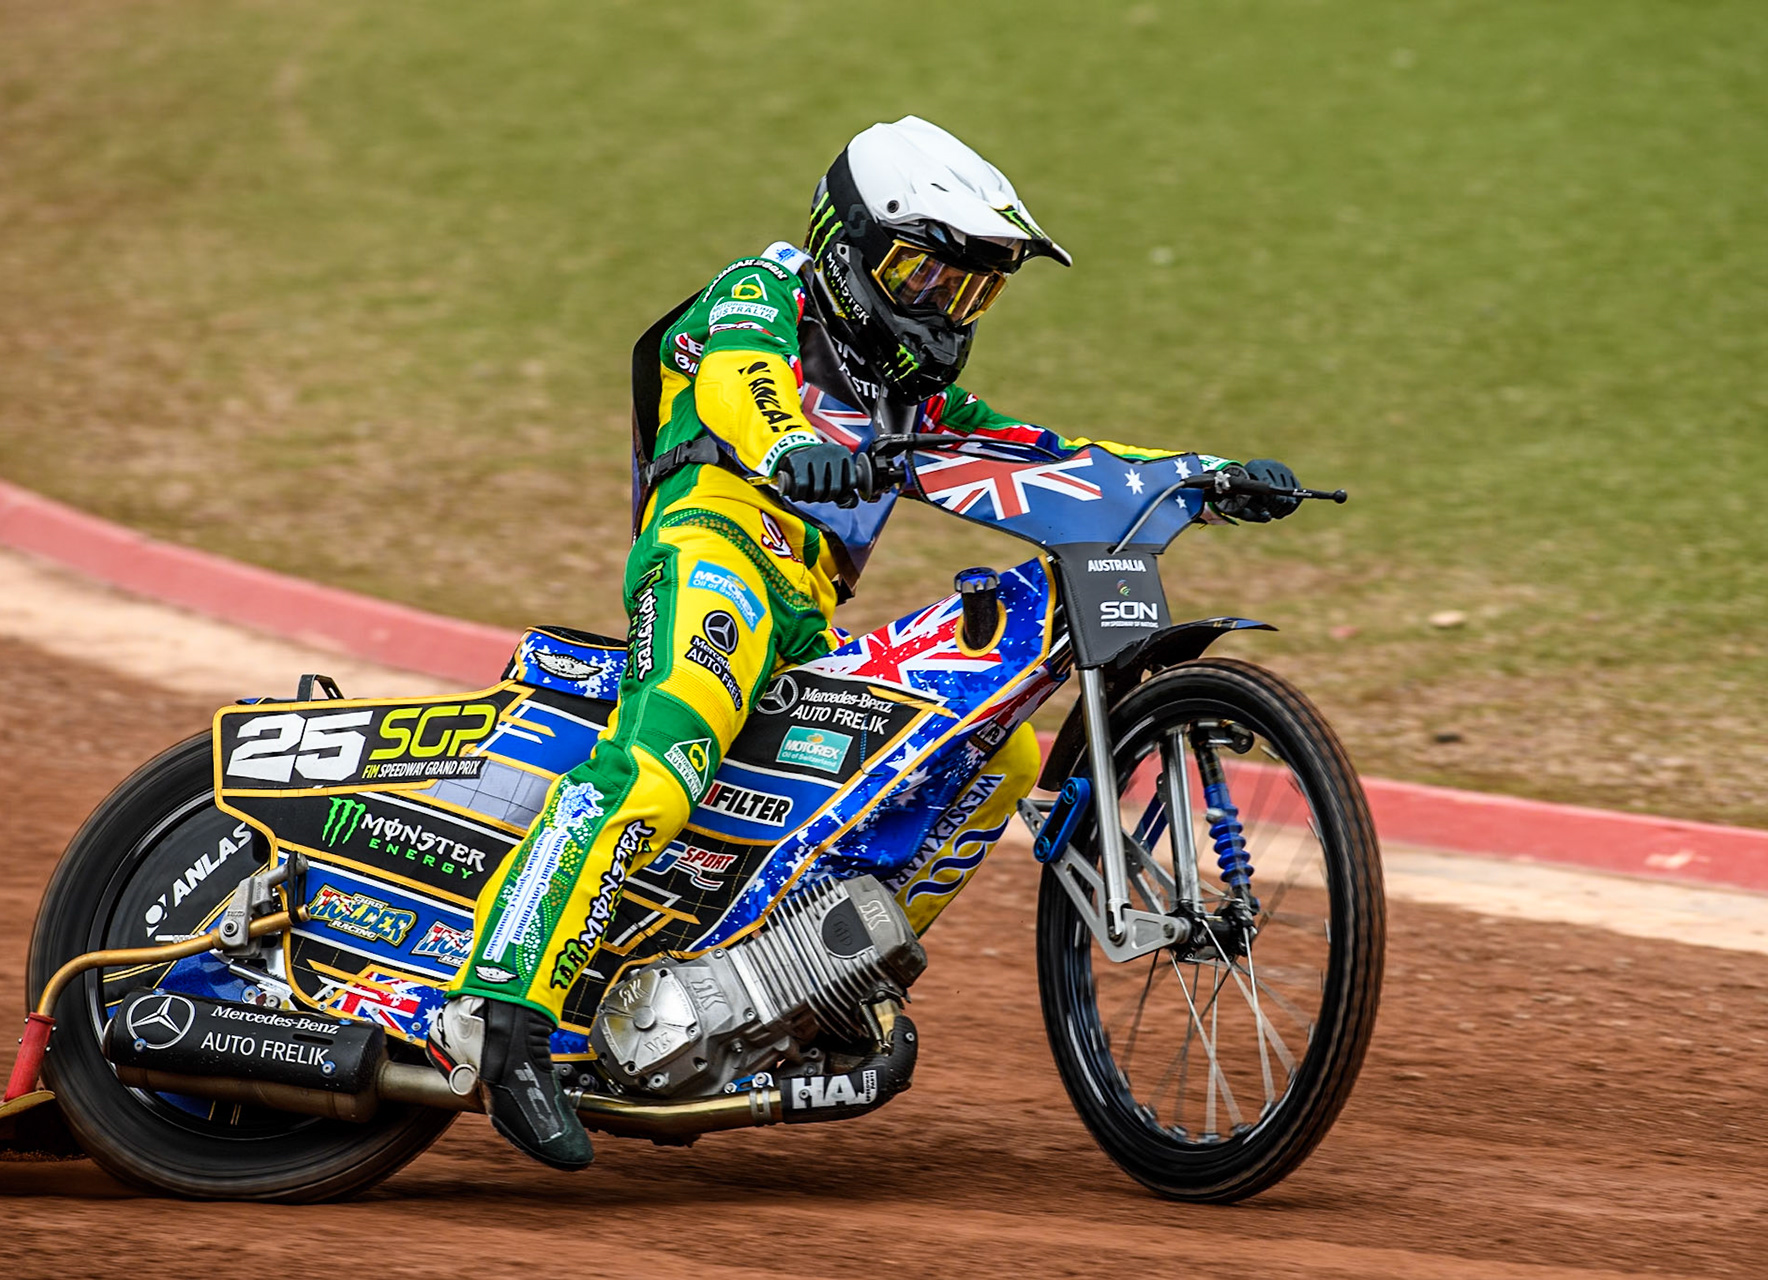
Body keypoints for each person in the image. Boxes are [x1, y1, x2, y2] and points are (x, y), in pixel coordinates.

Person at [429, 116, 1303, 1169]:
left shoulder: (912, 396)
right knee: (663, 762)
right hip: (710, 550)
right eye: (925, 276)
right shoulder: (766, 288)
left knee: (995, 756)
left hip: (802, 612)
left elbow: (1036, 459)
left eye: (971, 289)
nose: (945, 308)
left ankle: (824, 979)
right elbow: (735, 380)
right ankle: (503, 1008)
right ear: (849, 249)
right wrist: (792, 442)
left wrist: (1196, 476)